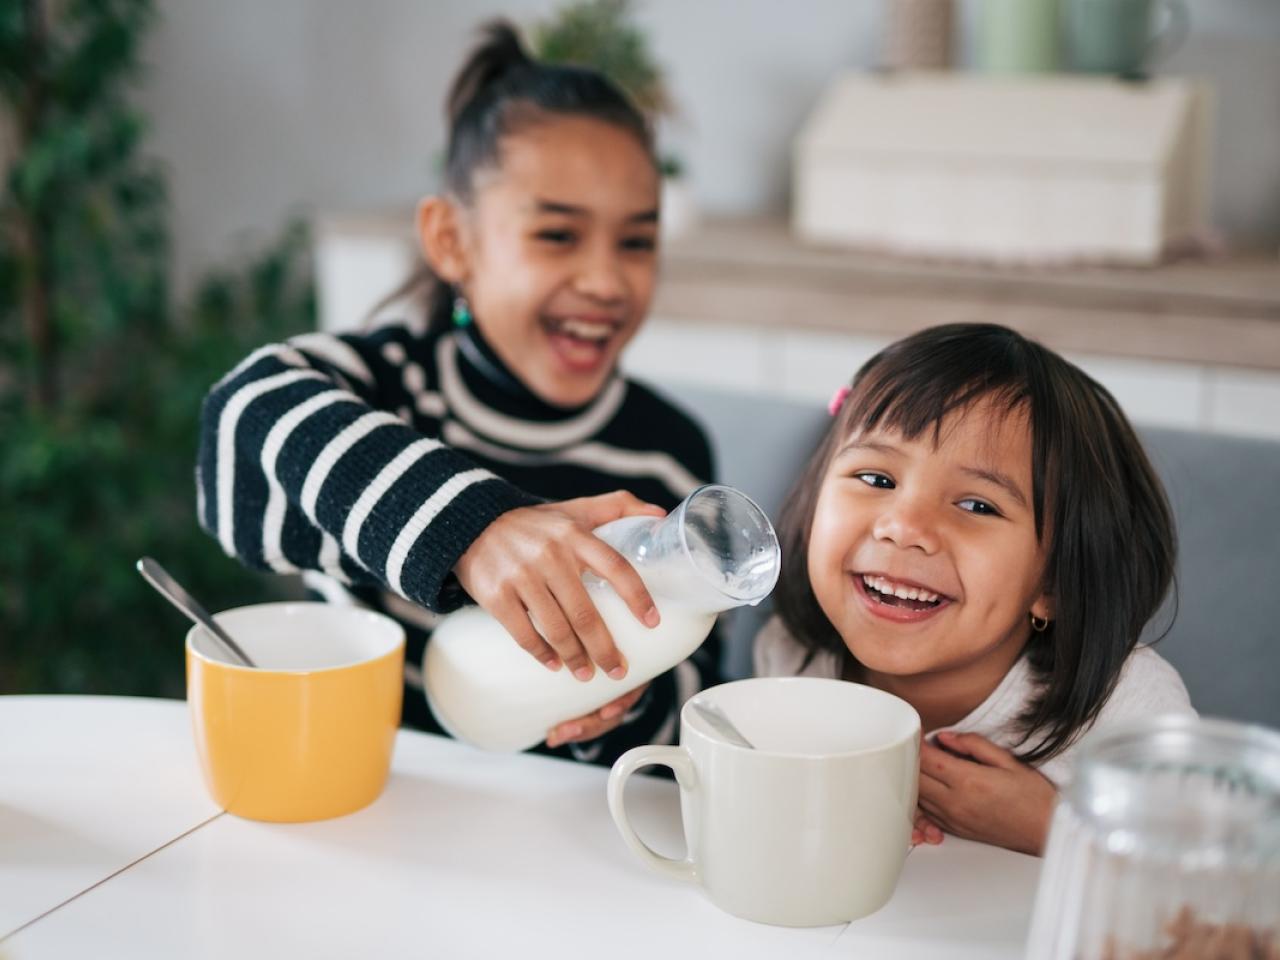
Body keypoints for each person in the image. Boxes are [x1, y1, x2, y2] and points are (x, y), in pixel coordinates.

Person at [196, 21, 718, 765]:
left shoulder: (667, 455)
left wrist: (628, 705)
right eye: (557, 236)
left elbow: (698, 707)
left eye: (636, 242)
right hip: (367, 786)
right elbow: (242, 415)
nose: (605, 281)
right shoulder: (390, 392)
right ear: (451, 241)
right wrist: (474, 531)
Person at [755, 323, 1194, 855]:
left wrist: (1053, 827)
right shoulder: (791, 657)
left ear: (1053, 582)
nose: (904, 526)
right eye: (877, 479)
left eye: (977, 506)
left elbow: (1210, 888)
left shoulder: (1126, 712)